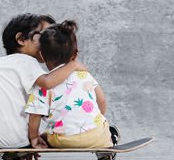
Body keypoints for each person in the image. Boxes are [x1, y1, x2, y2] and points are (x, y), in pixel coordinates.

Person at [0, 13, 84, 149]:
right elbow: (48, 82)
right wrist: (73, 65)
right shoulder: (27, 62)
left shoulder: (3, 63)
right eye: (43, 37)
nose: (48, 42)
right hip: (18, 140)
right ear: (21, 39)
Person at [25, 20, 113, 149]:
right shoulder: (84, 75)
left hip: (62, 140)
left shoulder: (42, 84)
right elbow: (102, 101)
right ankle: (111, 138)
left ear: (42, 55)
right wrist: (94, 122)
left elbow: (34, 115)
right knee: (108, 130)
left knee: (45, 136)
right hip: (96, 136)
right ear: (75, 54)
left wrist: (33, 138)